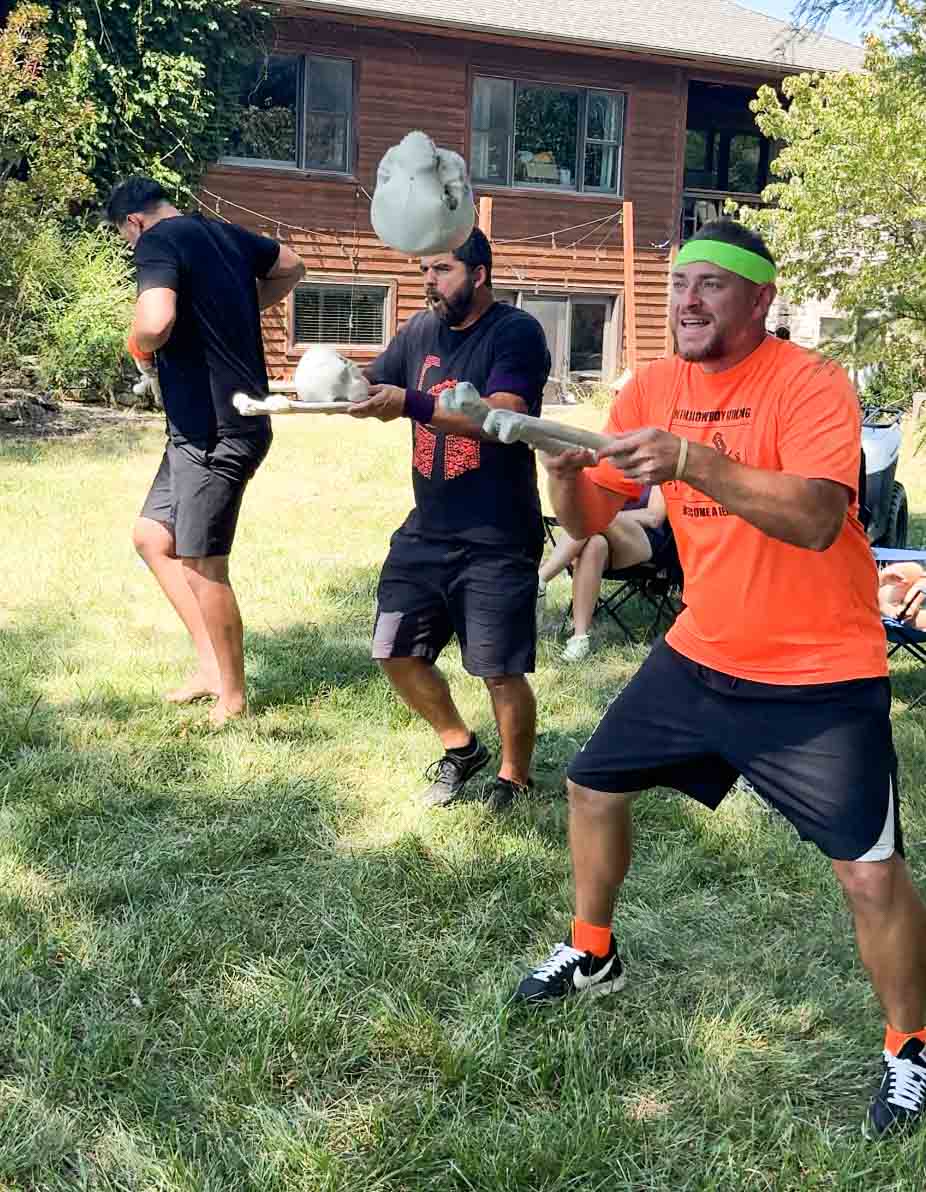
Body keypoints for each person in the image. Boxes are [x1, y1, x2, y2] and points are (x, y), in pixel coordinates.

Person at [513, 217, 926, 1140]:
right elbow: (591, 517)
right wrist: (562, 474)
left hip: (821, 671)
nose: (687, 301)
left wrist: (694, 458)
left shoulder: (811, 386)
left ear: (759, 299)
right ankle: (593, 952)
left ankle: (913, 1045)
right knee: (590, 785)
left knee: (868, 877)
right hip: (704, 651)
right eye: (678, 285)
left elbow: (819, 518)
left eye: (711, 285)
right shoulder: (651, 386)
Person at [348, 228, 550, 811]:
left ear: (479, 274)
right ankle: (461, 748)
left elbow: (501, 418)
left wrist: (408, 403)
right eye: (424, 272)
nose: (430, 283)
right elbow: (369, 378)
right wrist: (330, 380)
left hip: (497, 533)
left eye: (442, 271)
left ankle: (514, 776)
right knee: (394, 650)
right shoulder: (420, 329)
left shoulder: (516, 333)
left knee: (499, 669)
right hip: (428, 528)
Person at [107, 177, 305, 726]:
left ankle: (234, 697)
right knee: (152, 536)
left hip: (219, 431)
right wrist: (237, 307)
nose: (133, 251)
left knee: (202, 564)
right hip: (195, 430)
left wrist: (140, 344)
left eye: (127, 242)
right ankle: (209, 669)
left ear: (133, 223)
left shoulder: (158, 241)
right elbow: (292, 265)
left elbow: (155, 321)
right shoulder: (224, 234)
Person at [538, 485, 668, 661]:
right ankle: (579, 639)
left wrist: (607, 518)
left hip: (645, 544)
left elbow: (653, 517)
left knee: (591, 516)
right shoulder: (607, 467)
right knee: (595, 544)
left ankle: (540, 579)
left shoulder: (654, 465)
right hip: (603, 539)